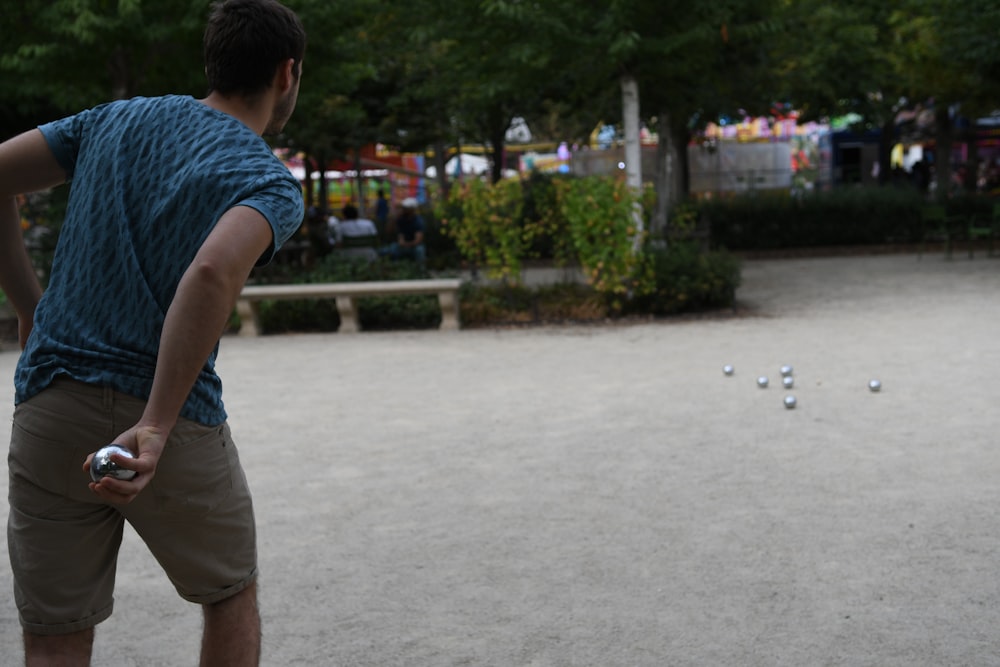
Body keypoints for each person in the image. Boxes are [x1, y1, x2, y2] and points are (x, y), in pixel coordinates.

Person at [0, 1, 306, 664]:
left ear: (213, 64)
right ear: (287, 74)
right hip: (171, 422)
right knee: (228, 592)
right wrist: (158, 422)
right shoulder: (266, 181)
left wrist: (31, 304)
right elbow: (211, 271)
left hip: (52, 402)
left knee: (55, 633)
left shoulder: (115, 118)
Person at [380, 196, 426, 263]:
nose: (403, 210)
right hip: (402, 246)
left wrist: (405, 244)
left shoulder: (418, 221)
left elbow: (418, 240)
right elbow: (389, 232)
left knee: (420, 250)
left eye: (405, 208)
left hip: (413, 247)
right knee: (386, 250)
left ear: (412, 210)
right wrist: (394, 218)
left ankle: (421, 270)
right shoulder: (401, 219)